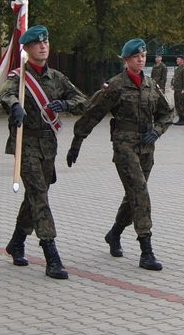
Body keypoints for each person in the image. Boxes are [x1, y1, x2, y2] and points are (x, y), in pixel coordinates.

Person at [66, 38, 173, 270]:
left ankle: (114, 233)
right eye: (136, 57)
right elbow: (93, 113)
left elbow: (167, 113)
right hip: (124, 146)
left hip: (146, 146)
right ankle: (146, 251)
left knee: (133, 195)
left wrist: (157, 131)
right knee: (140, 192)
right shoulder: (115, 86)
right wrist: (77, 141)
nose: (141, 59)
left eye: (143, 56)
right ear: (126, 60)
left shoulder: (151, 84)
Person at [0, 26, 88, 280]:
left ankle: (16, 242)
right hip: (25, 144)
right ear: (26, 49)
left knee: (35, 196)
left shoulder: (57, 78)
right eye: (37, 43)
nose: (43, 46)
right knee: (40, 197)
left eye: (46, 42)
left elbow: (83, 100)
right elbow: (4, 94)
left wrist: (66, 104)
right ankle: (51, 255)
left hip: (48, 147)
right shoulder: (19, 77)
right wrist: (15, 105)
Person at [171, 54, 184, 125]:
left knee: (182, 104)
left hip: (182, 90)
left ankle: (183, 120)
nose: (177, 61)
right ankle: (180, 119)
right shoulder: (177, 69)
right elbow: (174, 78)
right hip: (177, 89)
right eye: (177, 59)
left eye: (178, 59)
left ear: (182, 60)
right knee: (177, 104)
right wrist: (172, 84)